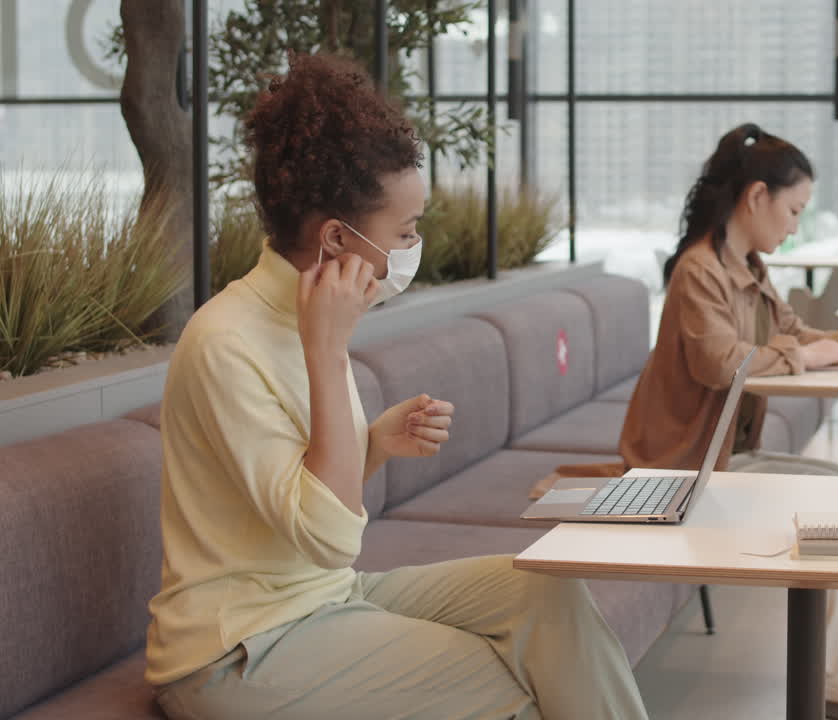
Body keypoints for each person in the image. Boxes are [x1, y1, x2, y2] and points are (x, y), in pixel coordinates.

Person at [144, 53, 648, 720]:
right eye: (404, 233)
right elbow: (327, 535)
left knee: (544, 594)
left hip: (321, 599)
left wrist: (374, 442)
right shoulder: (228, 342)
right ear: (334, 239)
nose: (415, 246)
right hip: (238, 648)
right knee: (508, 686)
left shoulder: (307, 315)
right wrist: (326, 351)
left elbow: (296, 498)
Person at [619, 123, 838, 711]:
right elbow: (718, 363)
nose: (794, 226)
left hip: (721, 454)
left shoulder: (748, 266)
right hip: (682, 466)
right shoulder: (700, 270)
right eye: (793, 210)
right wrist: (805, 354)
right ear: (757, 196)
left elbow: (791, 333)